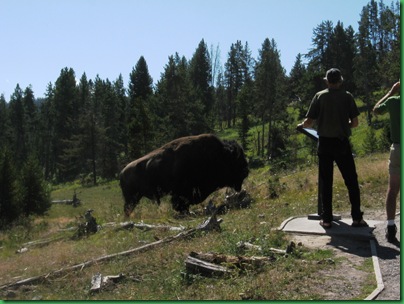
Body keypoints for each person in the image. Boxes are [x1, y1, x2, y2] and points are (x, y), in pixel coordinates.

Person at [297, 68, 368, 228]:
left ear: (327, 81)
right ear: (340, 81)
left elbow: (309, 122)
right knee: (351, 180)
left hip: (324, 143)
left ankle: (327, 219)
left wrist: (302, 125)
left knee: (326, 181)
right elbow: (355, 123)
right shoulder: (347, 96)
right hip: (342, 143)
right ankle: (357, 217)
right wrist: (345, 125)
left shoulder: (319, 96)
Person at [373, 81, 400, 244]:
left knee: (393, 189)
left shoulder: (393, 101)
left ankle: (391, 227)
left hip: (398, 148)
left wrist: (391, 92)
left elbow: (376, 110)